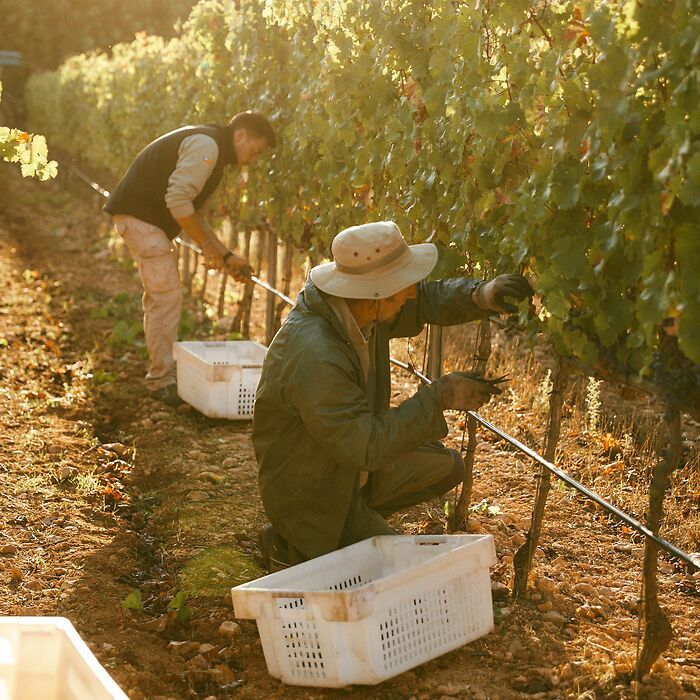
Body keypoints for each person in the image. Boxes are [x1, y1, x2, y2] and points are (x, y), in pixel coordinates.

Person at [252, 220, 534, 571]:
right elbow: (367, 446)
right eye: (403, 286)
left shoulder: (353, 308)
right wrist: (440, 397)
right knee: (397, 573)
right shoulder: (316, 354)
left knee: (445, 467)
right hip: (310, 489)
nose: (412, 292)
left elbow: (425, 300)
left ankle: (349, 519)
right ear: (375, 293)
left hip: (340, 464)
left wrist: (480, 295)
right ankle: (297, 540)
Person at [104, 111, 275, 404]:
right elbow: (178, 201)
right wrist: (209, 246)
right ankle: (160, 382)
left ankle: (161, 375)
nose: (252, 159)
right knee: (166, 296)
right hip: (141, 222)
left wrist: (225, 255)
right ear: (241, 135)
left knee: (163, 296)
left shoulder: (211, 146)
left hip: (143, 222)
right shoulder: (207, 147)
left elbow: (190, 211)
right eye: (254, 151)